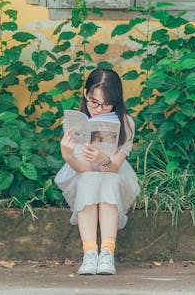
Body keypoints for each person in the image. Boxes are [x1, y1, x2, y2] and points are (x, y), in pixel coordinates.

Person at [55, 68, 140, 276]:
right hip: (82, 173)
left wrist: (103, 160)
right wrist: (68, 156)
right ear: (85, 94)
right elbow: (83, 169)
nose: (99, 109)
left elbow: (115, 167)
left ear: (116, 101)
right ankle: (90, 252)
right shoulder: (77, 122)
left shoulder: (127, 123)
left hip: (114, 173)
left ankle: (107, 253)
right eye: (94, 102)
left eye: (106, 104)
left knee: (108, 180)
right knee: (89, 178)